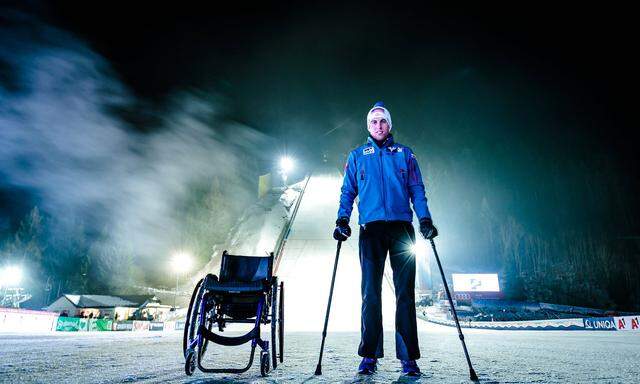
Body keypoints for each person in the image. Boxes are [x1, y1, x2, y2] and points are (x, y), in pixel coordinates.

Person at [334, 101, 438, 376]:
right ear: (368, 127)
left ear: (389, 125)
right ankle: (369, 355)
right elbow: (348, 191)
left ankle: (408, 358)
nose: (378, 126)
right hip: (371, 230)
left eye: (382, 121)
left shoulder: (405, 154)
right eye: (373, 122)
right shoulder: (357, 156)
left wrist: (425, 218)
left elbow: (417, 188)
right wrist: (342, 219)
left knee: (405, 294)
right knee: (370, 293)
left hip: (401, 228)